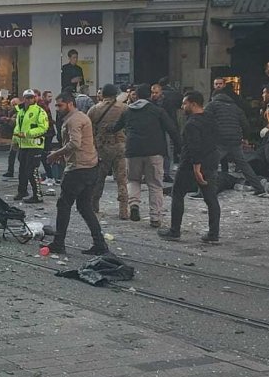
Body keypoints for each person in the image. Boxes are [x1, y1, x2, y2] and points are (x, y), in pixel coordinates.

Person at [45, 93, 108, 255]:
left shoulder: (73, 120)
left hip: (78, 169)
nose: (57, 108)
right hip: (91, 166)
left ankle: (59, 242)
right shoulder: (81, 117)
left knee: (64, 204)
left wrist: (56, 154)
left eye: (60, 105)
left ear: (70, 104)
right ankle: (99, 243)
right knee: (85, 206)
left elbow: (74, 143)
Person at [112, 84, 179, 227]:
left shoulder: (127, 111)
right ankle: (155, 217)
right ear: (149, 95)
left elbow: (115, 127)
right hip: (155, 151)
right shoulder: (157, 111)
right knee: (155, 184)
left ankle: (134, 204)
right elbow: (172, 129)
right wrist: (180, 147)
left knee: (133, 180)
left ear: (136, 95)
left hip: (133, 151)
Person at [158, 92, 222, 243]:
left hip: (190, 165)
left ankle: (175, 231)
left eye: (185, 103)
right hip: (210, 162)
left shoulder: (191, 124)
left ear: (193, 104)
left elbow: (194, 147)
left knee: (178, 194)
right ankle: (214, 233)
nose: (182, 106)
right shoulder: (211, 119)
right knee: (211, 198)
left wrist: (196, 168)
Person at [204, 85, 264, 196]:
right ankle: (259, 188)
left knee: (210, 165)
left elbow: (204, 120)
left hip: (220, 140)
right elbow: (245, 124)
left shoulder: (212, 105)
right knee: (243, 165)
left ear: (213, 97)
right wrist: (245, 138)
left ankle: (204, 191)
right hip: (235, 140)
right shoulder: (235, 107)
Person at [88, 84, 129, 221]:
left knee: (99, 178)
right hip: (120, 146)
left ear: (103, 94)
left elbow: (89, 129)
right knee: (122, 179)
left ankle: (94, 206)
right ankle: (123, 211)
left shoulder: (94, 109)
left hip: (102, 147)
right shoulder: (124, 108)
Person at [12, 90, 49, 203]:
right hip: (23, 145)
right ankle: (22, 191)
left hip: (35, 145)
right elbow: (17, 128)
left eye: (31, 98)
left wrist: (28, 134)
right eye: (26, 98)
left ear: (35, 99)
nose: (28, 100)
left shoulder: (39, 111)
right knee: (22, 169)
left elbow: (43, 127)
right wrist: (15, 141)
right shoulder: (21, 112)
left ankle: (37, 195)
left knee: (32, 170)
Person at [2, 96, 21, 179]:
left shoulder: (21, 111)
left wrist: (8, 119)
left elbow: (15, 121)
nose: (14, 106)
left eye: (15, 104)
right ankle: (10, 171)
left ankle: (21, 171)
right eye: (12, 105)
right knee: (12, 154)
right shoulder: (12, 112)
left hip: (23, 136)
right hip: (16, 136)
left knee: (21, 156)